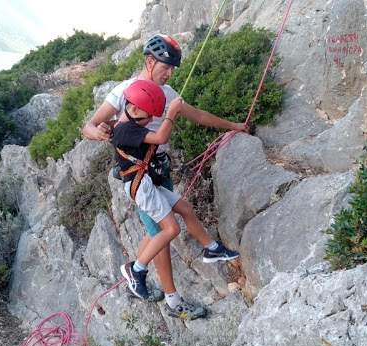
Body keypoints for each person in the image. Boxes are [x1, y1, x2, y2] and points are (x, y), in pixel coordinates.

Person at [83, 34, 246, 319]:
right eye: (165, 67)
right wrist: (97, 132)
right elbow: (91, 125)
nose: (169, 73)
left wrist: (233, 125)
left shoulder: (168, 93)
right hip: (138, 176)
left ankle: (143, 267)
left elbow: (199, 115)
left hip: (158, 171)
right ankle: (172, 301)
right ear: (149, 61)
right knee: (162, 231)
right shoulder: (125, 91)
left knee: (165, 223)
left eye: (172, 69)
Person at [111, 79, 239, 319]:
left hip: (147, 182)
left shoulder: (129, 122)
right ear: (134, 109)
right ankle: (136, 270)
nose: (151, 120)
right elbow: (160, 138)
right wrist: (170, 114)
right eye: (149, 116)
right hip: (141, 187)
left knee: (186, 209)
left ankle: (211, 249)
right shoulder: (127, 129)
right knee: (170, 229)